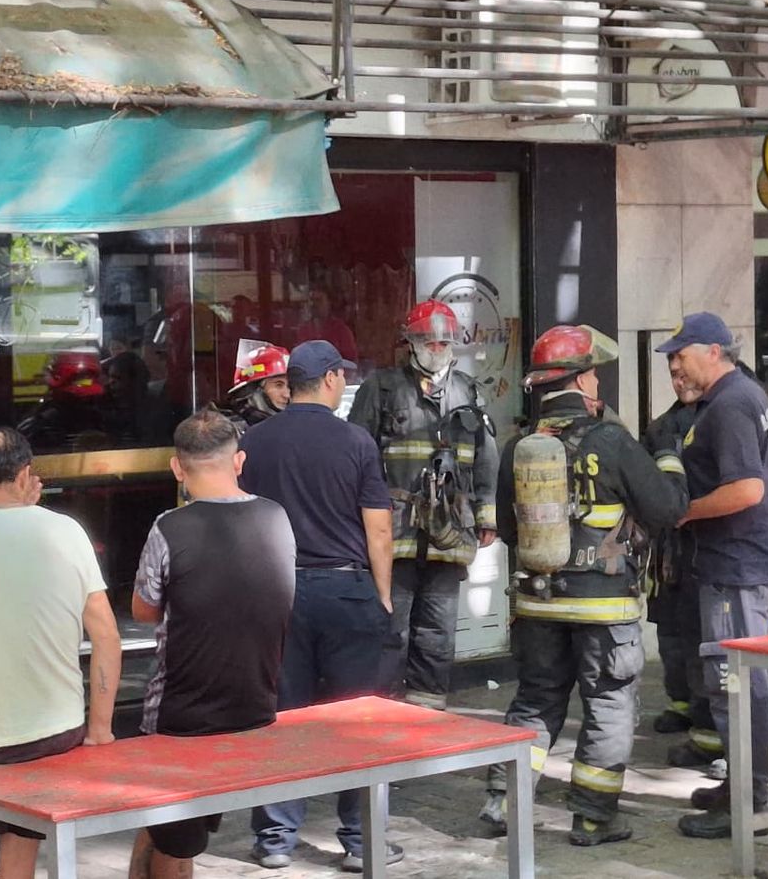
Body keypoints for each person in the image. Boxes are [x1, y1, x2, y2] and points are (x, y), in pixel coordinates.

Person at [477, 325, 688, 846]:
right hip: (604, 608)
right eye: (594, 372)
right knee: (609, 706)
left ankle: (504, 802)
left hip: (539, 602)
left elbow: (507, 530)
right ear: (584, 380)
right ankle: (593, 818)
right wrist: (668, 460)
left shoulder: (520, 447)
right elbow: (666, 510)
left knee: (536, 700)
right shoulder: (612, 440)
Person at [0, 426, 121, 879]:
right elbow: (106, 633)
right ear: (27, 473)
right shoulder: (66, 531)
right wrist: (101, 728)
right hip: (60, 726)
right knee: (21, 843)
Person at [239, 339, 402, 872]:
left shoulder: (255, 443)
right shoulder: (355, 441)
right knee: (358, 718)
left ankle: (276, 840)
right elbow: (378, 528)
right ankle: (361, 840)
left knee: (283, 714)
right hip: (345, 588)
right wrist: (381, 595)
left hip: (276, 591)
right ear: (331, 379)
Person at [128, 410, 296, 879]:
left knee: (177, 845)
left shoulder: (168, 527)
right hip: (257, 705)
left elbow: (143, 610)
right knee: (162, 826)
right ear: (238, 460)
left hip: (181, 717)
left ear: (177, 468)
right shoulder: (276, 517)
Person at [657, 312, 768, 839]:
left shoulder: (731, 403)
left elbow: (746, 491)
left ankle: (748, 804)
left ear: (713, 351)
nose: (676, 368)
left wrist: (685, 511)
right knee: (733, 681)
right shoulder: (737, 398)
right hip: (738, 561)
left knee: (738, 684)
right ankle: (743, 785)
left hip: (737, 566)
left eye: (682, 356)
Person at [348, 299, 499, 710]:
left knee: (438, 631)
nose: (436, 347)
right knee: (390, 629)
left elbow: (486, 456)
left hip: (449, 533)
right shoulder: (381, 388)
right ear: (409, 342)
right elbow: (355, 458)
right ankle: (385, 715)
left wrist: (486, 515)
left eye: (443, 340)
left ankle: (428, 718)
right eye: (427, 340)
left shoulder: (468, 391)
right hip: (394, 532)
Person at [643, 367, 702, 736]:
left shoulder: (724, 418)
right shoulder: (661, 428)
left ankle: (705, 713)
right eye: (674, 375)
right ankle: (680, 703)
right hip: (667, 550)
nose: (681, 381)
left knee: (700, 636)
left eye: (687, 373)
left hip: (704, 546)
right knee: (670, 633)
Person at [223, 343, 291, 432]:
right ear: (252, 390)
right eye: (278, 385)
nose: (287, 395)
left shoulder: (293, 425)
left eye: (290, 385)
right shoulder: (230, 431)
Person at [295, 288, 358, 363]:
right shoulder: (303, 330)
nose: (313, 304)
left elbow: (351, 361)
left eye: (319, 300)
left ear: (329, 303)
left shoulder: (341, 330)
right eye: (312, 300)